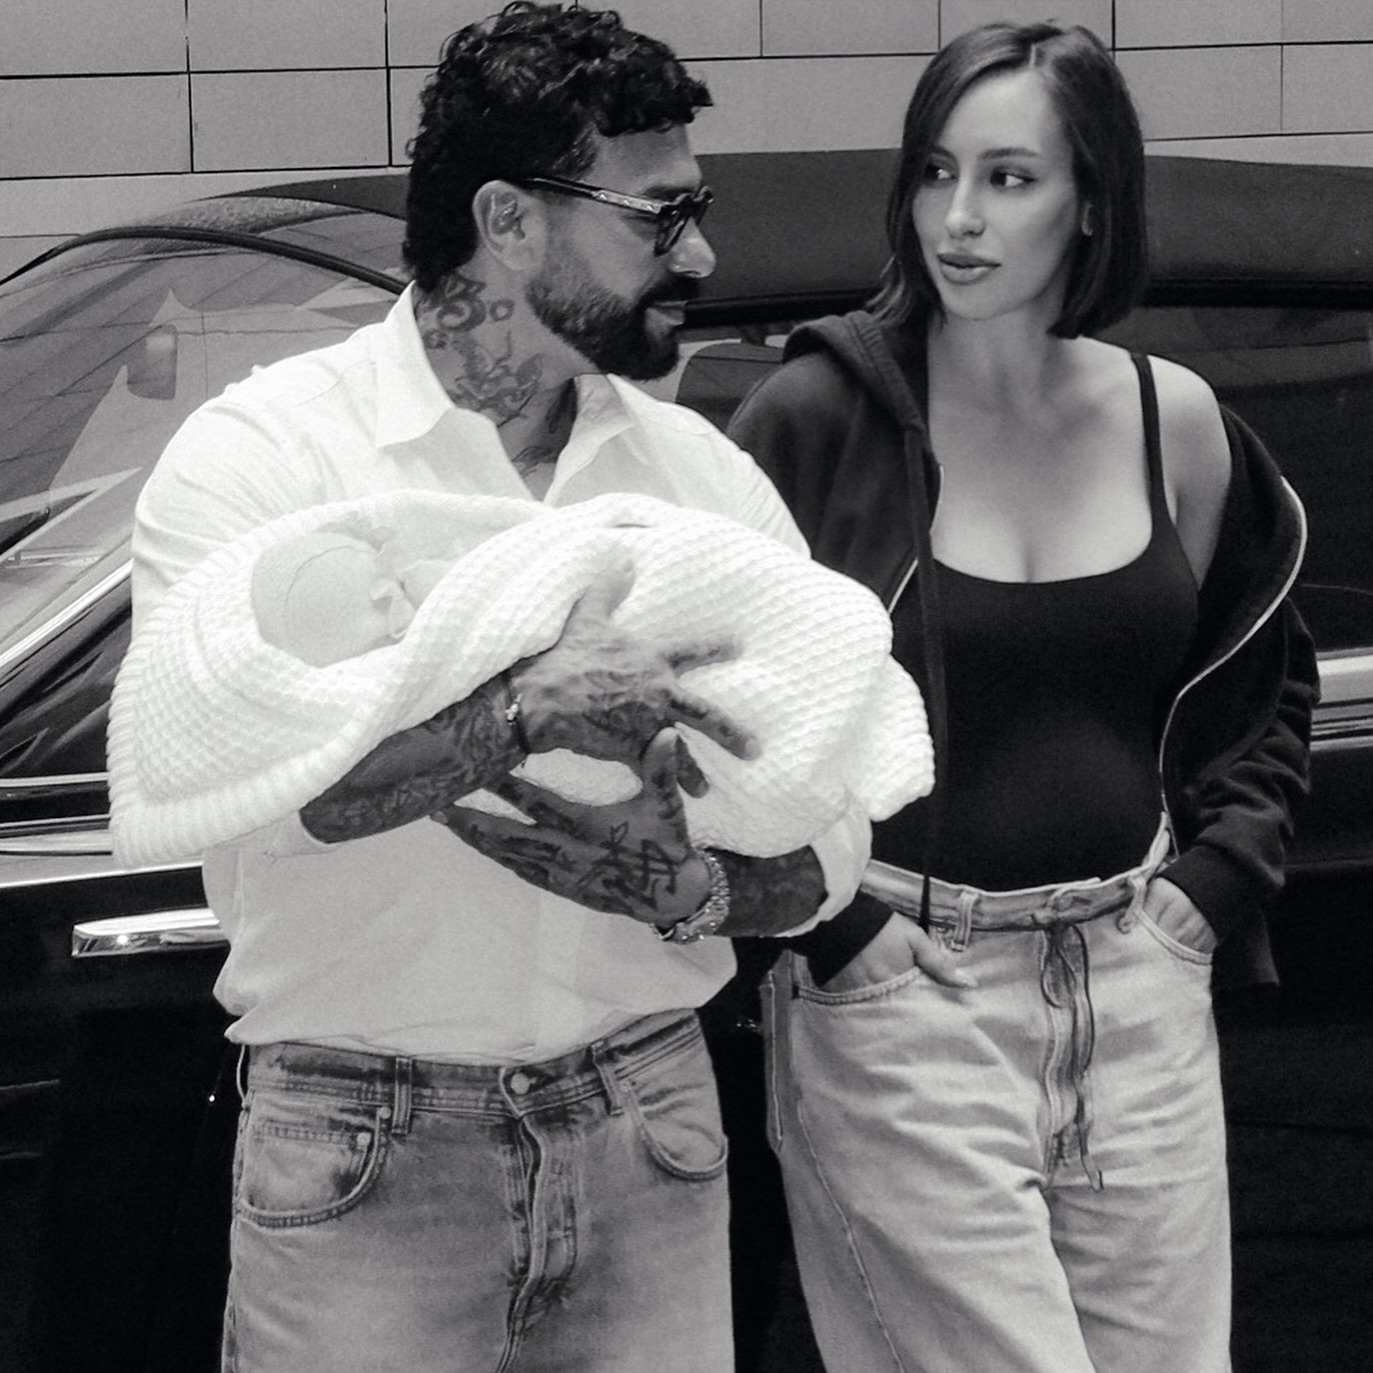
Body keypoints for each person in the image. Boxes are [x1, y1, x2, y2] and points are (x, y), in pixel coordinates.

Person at [119, 6, 872, 1370]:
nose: (699, 254)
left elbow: (832, 843)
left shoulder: (702, 484)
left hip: (651, 1121)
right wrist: (525, 709)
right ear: (510, 222)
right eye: (660, 215)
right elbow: (245, 785)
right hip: (360, 1144)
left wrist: (693, 889)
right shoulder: (266, 463)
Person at [727, 21, 1317, 1373]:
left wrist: (1218, 880)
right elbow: (703, 711)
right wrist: (835, 931)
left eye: (1008, 178)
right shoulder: (814, 421)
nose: (958, 218)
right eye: (936, 172)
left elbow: (1261, 681)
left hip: (1138, 980)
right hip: (905, 998)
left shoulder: (1175, 420)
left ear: (1091, 200)